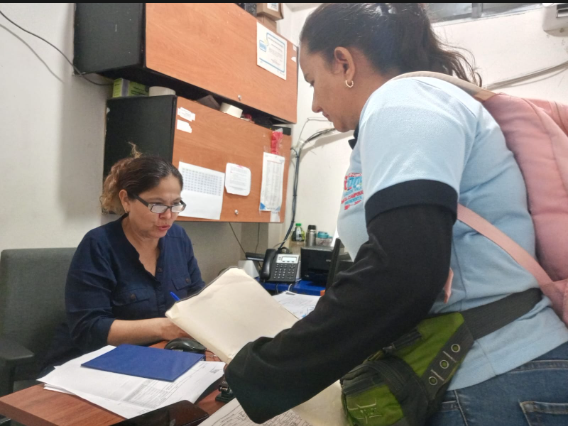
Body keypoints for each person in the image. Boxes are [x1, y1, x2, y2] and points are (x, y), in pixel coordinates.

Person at [225, 4, 568, 425]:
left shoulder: (403, 101)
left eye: (312, 81)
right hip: (497, 372)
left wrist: (261, 372)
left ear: (343, 62)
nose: (313, 104)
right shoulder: (415, 106)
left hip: (492, 379)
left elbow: (404, 270)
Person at [42, 152, 204, 372]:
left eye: (176, 204)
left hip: (157, 356)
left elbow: (197, 299)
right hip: (94, 363)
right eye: (157, 205)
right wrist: (164, 328)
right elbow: (89, 329)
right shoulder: (99, 245)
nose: (168, 216)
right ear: (126, 200)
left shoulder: (179, 239)